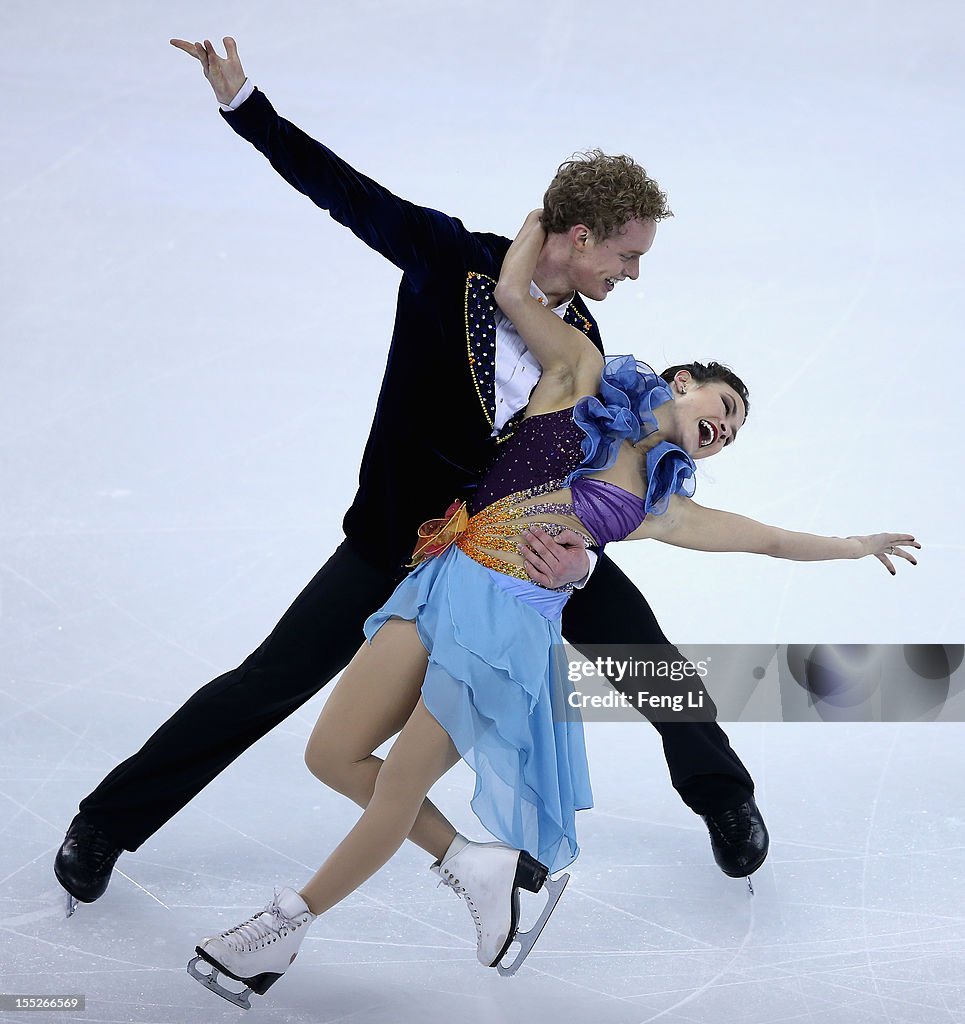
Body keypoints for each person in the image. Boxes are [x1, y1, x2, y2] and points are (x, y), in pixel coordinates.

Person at [56, 35, 767, 916]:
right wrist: (247, 108)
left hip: (517, 549)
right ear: (580, 236)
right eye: (627, 254)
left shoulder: (587, 344)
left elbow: (611, 470)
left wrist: (584, 553)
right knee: (268, 682)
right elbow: (344, 192)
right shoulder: (448, 259)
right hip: (403, 535)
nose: (633, 272)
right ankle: (106, 821)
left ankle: (722, 795)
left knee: (641, 650)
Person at [185, 211, 918, 1008]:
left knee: (609, 691)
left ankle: (279, 931)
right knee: (330, 756)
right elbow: (511, 288)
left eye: (733, 433)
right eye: (725, 406)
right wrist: (557, 211)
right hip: (442, 581)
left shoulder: (654, 506)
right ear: (681, 381)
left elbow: (767, 541)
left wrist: (851, 543)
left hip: (507, 623)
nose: (723, 429)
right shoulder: (580, 371)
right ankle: (479, 865)